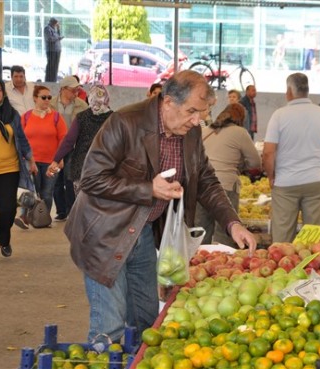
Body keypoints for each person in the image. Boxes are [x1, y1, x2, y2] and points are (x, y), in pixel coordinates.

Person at [63, 70, 257, 344]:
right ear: (167, 103)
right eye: (191, 111)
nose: (196, 120)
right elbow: (91, 179)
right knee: (111, 327)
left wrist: (232, 222)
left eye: (200, 113)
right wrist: (148, 189)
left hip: (142, 234)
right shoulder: (125, 122)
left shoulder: (190, 133)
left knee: (147, 323)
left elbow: (206, 181)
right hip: (104, 235)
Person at [263, 73, 320, 243]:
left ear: (289, 91)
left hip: (285, 183)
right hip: (316, 181)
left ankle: (283, 267)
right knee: (316, 240)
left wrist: (271, 176)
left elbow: (268, 152)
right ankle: (315, 269)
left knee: (282, 240)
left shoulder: (279, 115)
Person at [0, 77, 37, 264]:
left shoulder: (12, 114)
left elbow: (21, 138)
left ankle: (3, 238)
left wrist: (31, 159)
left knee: (8, 208)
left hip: (9, 170)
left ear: (3, 92)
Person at [195, 103, 261, 246]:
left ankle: (197, 263)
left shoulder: (206, 130)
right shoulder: (240, 132)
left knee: (200, 233)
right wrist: (241, 163)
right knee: (225, 232)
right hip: (225, 186)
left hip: (201, 185)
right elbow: (255, 162)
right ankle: (222, 264)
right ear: (242, 118)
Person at [14, 86, 68, 229]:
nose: (47, 100)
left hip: (52, 163)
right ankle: (24, 216)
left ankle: (42, 218)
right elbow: (18, 138)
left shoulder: (56, 117)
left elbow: (64, 138)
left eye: (49, 97)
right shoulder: (26, 117)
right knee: (30, 190)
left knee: (47, 192)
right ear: (35, 98)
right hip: (30, 161)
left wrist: (60, 157)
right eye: (43, 97)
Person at [48, 85, 113, 195]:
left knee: (81, 204)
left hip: (82, 168)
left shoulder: (81, 117)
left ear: (89, 98)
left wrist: (56, 160)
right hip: (105, 168)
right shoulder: (114, 118)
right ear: (107, 99)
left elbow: (69, 141)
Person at [50, 76, 88, 221]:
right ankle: (61, 211)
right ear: (63, 89)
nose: (76, 93)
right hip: (54, 147)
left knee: (70, 179)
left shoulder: (82, 105)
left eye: (77, 90)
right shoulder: (51, 104)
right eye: (73, 90)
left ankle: (72, 210)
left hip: (73, 148)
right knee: (56, 180)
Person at [44, 17, 64, 82]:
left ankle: (53, 80)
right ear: (53, 23)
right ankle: (48, 81)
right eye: (56, 24)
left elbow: (58, 36)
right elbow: (49, 39)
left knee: (55, 67)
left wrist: (58, 29)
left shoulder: (54, 29)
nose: (56, 25)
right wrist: (58, 38)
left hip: (57, 50)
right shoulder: (47, 28)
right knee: (51, 67)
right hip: (51, 50)